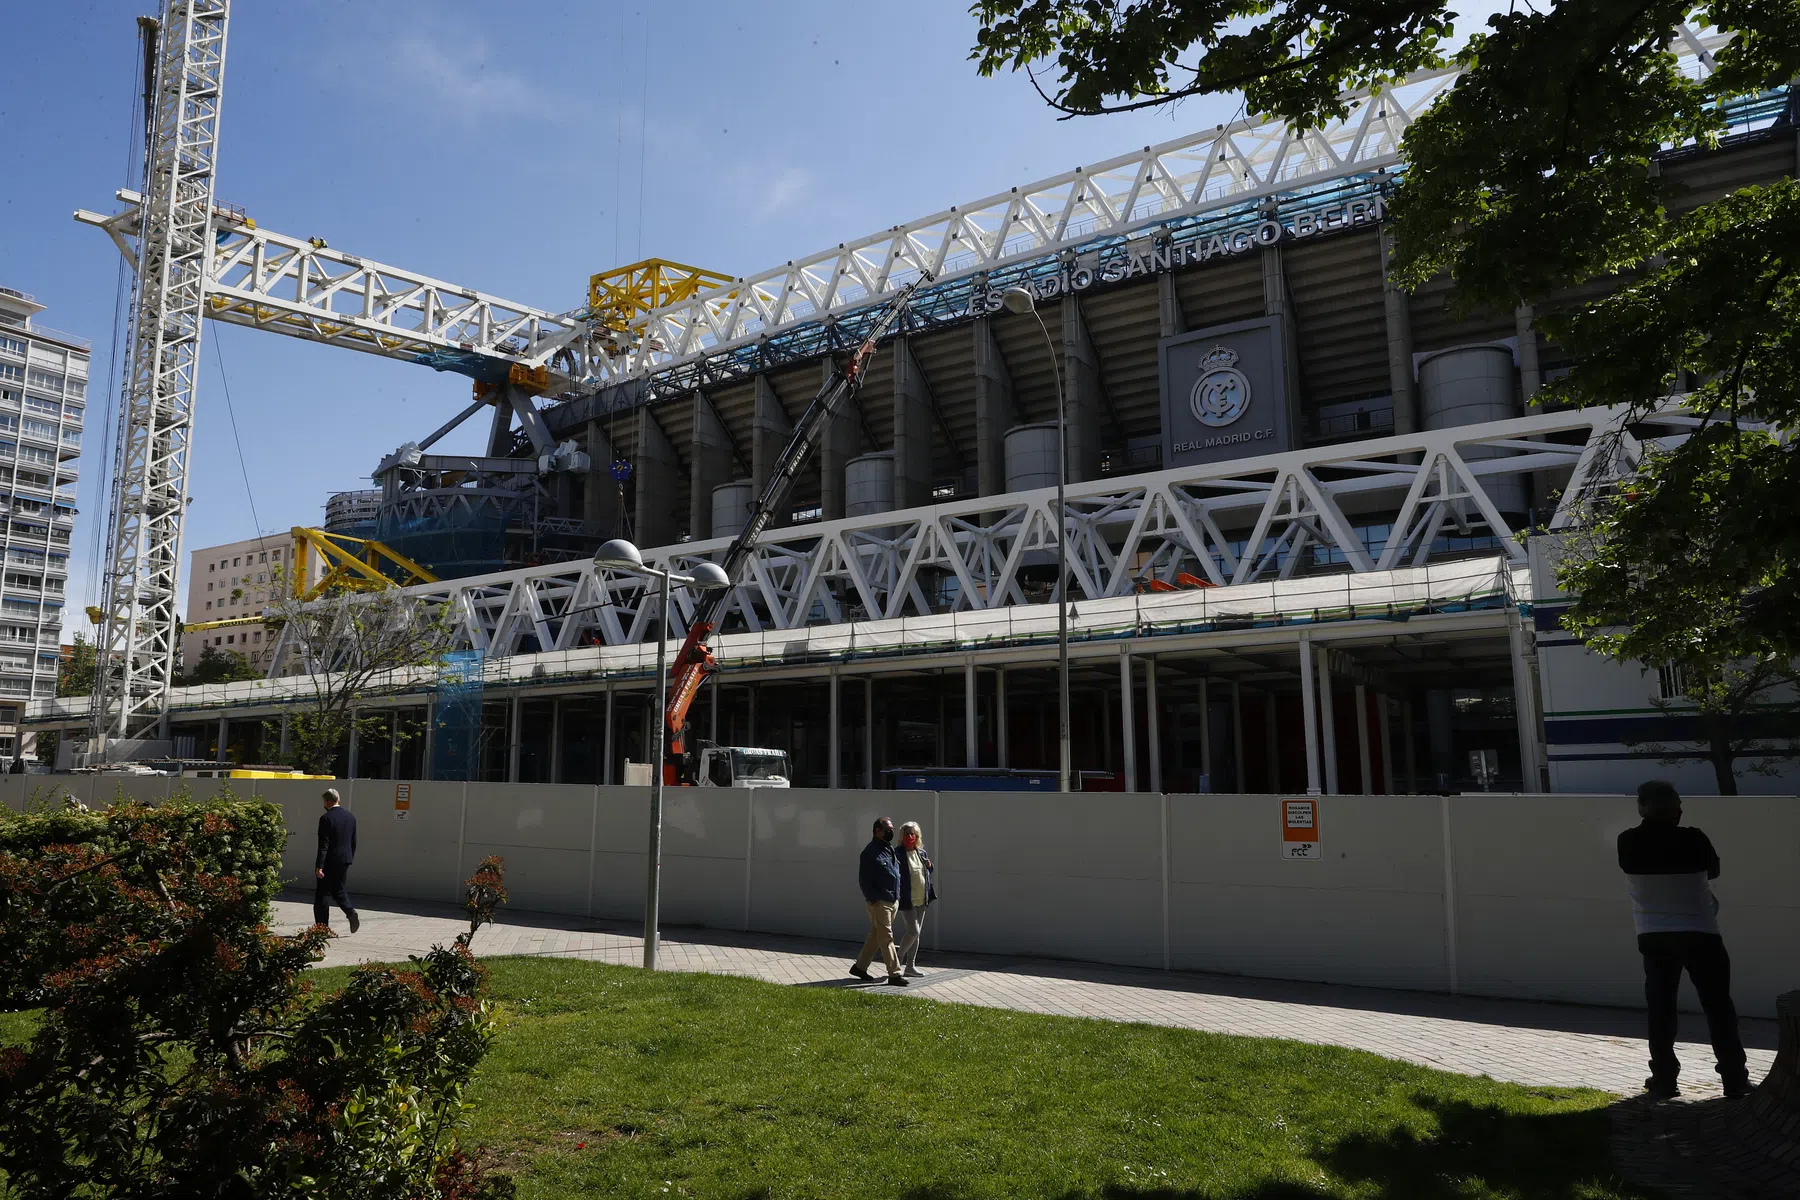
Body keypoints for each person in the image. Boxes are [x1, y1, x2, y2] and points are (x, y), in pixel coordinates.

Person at [1617, 780, 1750, 1099]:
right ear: (1675, 810)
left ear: (1641, 808)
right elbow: (1713, 871)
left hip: (1654, 935)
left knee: (1661, 1009)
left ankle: (1664, 1080)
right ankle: (1734, 1079)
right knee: (1718, 1006)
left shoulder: (1628, 841)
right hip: (1701, 932)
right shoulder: (1694, 838)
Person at [851, 816, 906, 986]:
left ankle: (860, 967)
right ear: (877, 831)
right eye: (888, 830)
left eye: (892, 829)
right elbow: (864, 879)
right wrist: (873, 899)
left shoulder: (889, 849)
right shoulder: (870, 852)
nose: (891, 832)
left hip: (892, 900)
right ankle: (894, 974)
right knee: (887, 937)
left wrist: (897, 897)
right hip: (880, 902)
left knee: (877, 935)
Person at [315, 787, 360, 933]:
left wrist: (319, 865)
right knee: (338, 890)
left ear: (327, 802)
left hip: (329, 861)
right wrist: (349, 858)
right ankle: (350, 912)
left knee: (322, 894)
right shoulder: (350, 817)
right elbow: (353, 841)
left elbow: (324, 845)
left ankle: (322, 929)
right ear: (338, 800)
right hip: (344, 859)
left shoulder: (326, 818)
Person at [895, 820, 935, 978]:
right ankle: (897, 959)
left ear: (917, 836)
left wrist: (929, 867)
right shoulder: (897, 853)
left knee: (916, 934)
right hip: (907, 899)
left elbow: (926, 872)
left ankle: (910, 966)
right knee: (913, 931)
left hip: (922, 897)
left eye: (912, 834)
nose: (910, 837)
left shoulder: (921, 852)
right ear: (902, 836)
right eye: (906, 834)